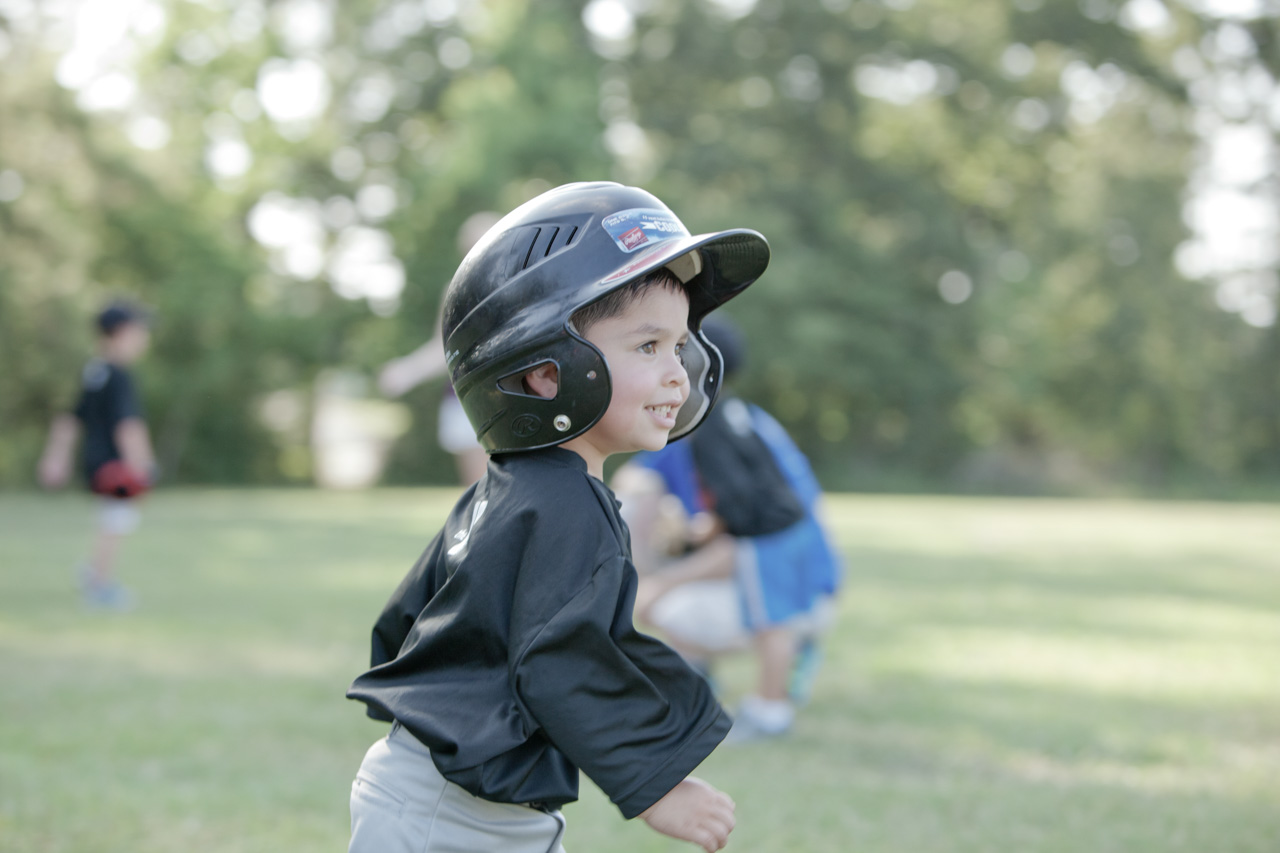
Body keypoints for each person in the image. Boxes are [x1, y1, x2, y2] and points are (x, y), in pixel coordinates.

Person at [345, 181, 770, 853]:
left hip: (442, 796)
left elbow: (407, 621)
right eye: (647, 346)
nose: (677, 374)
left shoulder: (520, 486)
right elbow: (560, 659)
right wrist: (657, 784)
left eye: (681, 344)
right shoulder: (565, 504)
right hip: (453, 817)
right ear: (546, 372)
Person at [615, 316, 842, 742]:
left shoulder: (703, 422)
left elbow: (736, 493)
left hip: (765, 537)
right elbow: (738, 487)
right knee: (774, 618)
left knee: (773, 621)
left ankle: (770, 710)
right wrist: (712, 526)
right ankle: (762, 702)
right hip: (780, 532)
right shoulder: (737, 413)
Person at [38, 300, 157, 610]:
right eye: (139, 330)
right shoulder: (118, 374)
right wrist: (144, 465)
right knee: (116, 521)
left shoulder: (95, 371)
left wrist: (56, 457)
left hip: (95, 462)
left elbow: (69, 418)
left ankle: (94, 572)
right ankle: (99, 584)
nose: (143, 338)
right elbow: (128, 426)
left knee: (111, 519)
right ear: (120, 332)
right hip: (115, 465)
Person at [376, 211, 501, 486]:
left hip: (512, 396)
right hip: (467, 400)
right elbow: (442, 348)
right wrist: (407, 371)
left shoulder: (524, 283)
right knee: (481, 493)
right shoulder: (454, 289)